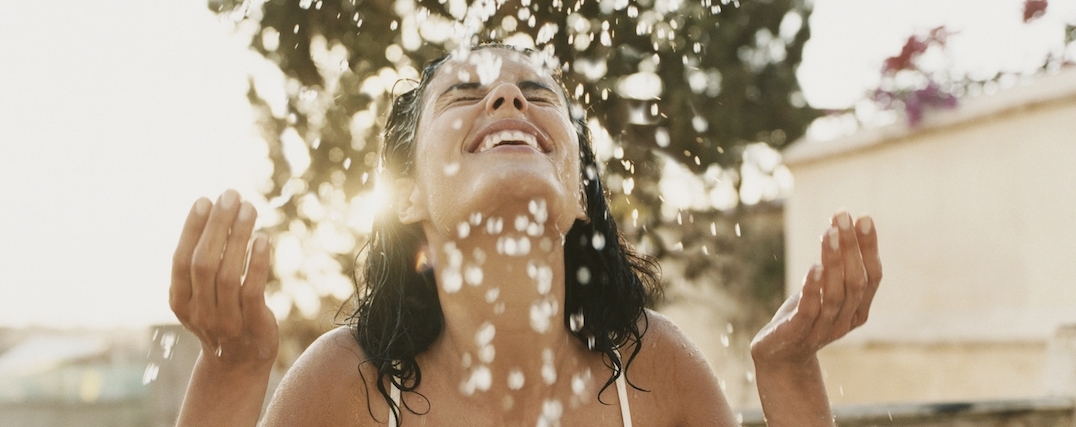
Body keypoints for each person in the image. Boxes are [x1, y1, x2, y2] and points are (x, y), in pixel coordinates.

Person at [168, 44, 882, 427]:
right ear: (407, 195)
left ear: (578, 194)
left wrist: (790, 376)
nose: (508, 97)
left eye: (538, 94)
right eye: (464, 94)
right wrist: (231, 375)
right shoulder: (345, 386)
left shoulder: (655, 371)